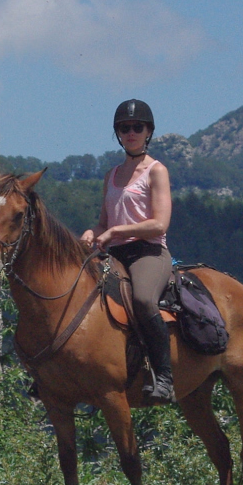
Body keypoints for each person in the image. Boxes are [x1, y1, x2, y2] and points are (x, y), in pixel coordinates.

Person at [81, 99, 175, 405]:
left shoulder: (156, 171)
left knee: (144, 300)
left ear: (148, 132)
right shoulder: (111, 175)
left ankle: (164, 377)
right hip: (115, 255)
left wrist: (115, 232)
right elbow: (103, 222)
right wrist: (91, 233)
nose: (131, 132)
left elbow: (160, 224)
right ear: (117, 133)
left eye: (137, 127)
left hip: (148, 253)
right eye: (124, 128)